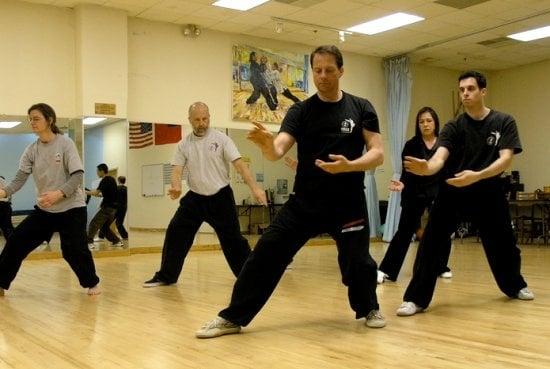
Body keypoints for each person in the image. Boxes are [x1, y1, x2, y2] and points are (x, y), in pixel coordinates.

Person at [196, 45, 386, 339]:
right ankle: (233, 317)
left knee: (358, 261)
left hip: (347, 203)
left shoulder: (361, 108)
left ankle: (370, 307)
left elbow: (378, 153)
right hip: (305, 203)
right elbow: (278, 149)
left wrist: (350, 166)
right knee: (264, 255)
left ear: (341, 71)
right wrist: (267, 145)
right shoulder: (300, 110)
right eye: (317, 70)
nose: (322, 76)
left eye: (329, 70)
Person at [396, 71, 534, 317]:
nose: (465, 94)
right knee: (430, 244)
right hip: (454, 189)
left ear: (483, 91)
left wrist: (479, 175)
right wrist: (427, 168)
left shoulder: (504, 121)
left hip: (489, 190)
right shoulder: (453, 126)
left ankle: (515, 286)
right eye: (461, 90)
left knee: (504, 244)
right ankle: (415, 299)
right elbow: (440, 157)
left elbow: (505, 160)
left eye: (470, 89)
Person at [143, 102, 267, 288]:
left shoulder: (222, 139)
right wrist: (176, 187)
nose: (202, 123)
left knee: (233, 240)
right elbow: (177, 170)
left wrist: (255, 188)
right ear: (190, 120)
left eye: (205, 119)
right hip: (195, 199)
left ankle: (250, 275)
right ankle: (166, 276)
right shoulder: (184, 144)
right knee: (176, 232)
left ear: (209, 117)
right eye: (197, 120)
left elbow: (240, 165)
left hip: (220, 197)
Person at [0, 103, 100, 296]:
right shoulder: (31, 150)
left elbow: (77, 175)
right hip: (45, 210)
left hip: (72, 208)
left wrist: (58, 194)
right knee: (16, 242)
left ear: (50, 120)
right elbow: (19, 178)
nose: (32, 122)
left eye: (36, 118)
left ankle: (92, 283)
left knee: (73, 251)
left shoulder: (65, 144)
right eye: (30, 118)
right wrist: (4, 193)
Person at [377, 107, 452, 284]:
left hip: (438, 191)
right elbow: (407, 170)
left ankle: (441, 267)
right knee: (404, 231)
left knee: (443, 231)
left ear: (435, 123)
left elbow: (447, 170)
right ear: (417, 125)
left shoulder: (444, 144)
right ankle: (387, 270)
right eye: (421, 121)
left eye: (429, 120)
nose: (425, 124)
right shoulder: (411, 145)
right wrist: (402, 183)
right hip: (415, 192)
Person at [86, 163, 122, 249]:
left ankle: (89, 242)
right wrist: (90, 192)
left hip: (107, 208)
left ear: (102, 171)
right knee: (104, 227)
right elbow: (102, 194)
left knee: (93, 223)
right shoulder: (112, 179)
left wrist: (84, 192)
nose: (97, 173)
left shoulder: (105, 180)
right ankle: (116, 241)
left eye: (97, 171)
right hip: (113, 209)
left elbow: (96, 192)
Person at [0, 176, 15, 241]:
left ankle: (14, 245)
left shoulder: (1, 179)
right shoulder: (2, 179)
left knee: (7, 227)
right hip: (5, 205)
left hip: (2, 205)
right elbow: (9, 193)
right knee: (7, 227)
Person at [115, 176, 128, 240]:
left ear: (118, 181)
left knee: (117, 223)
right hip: (124, 208)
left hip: (116, 208)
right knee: (119, 222)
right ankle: (125, 236)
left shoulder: (116, 188)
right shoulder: (126, 189)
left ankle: (125, 236)